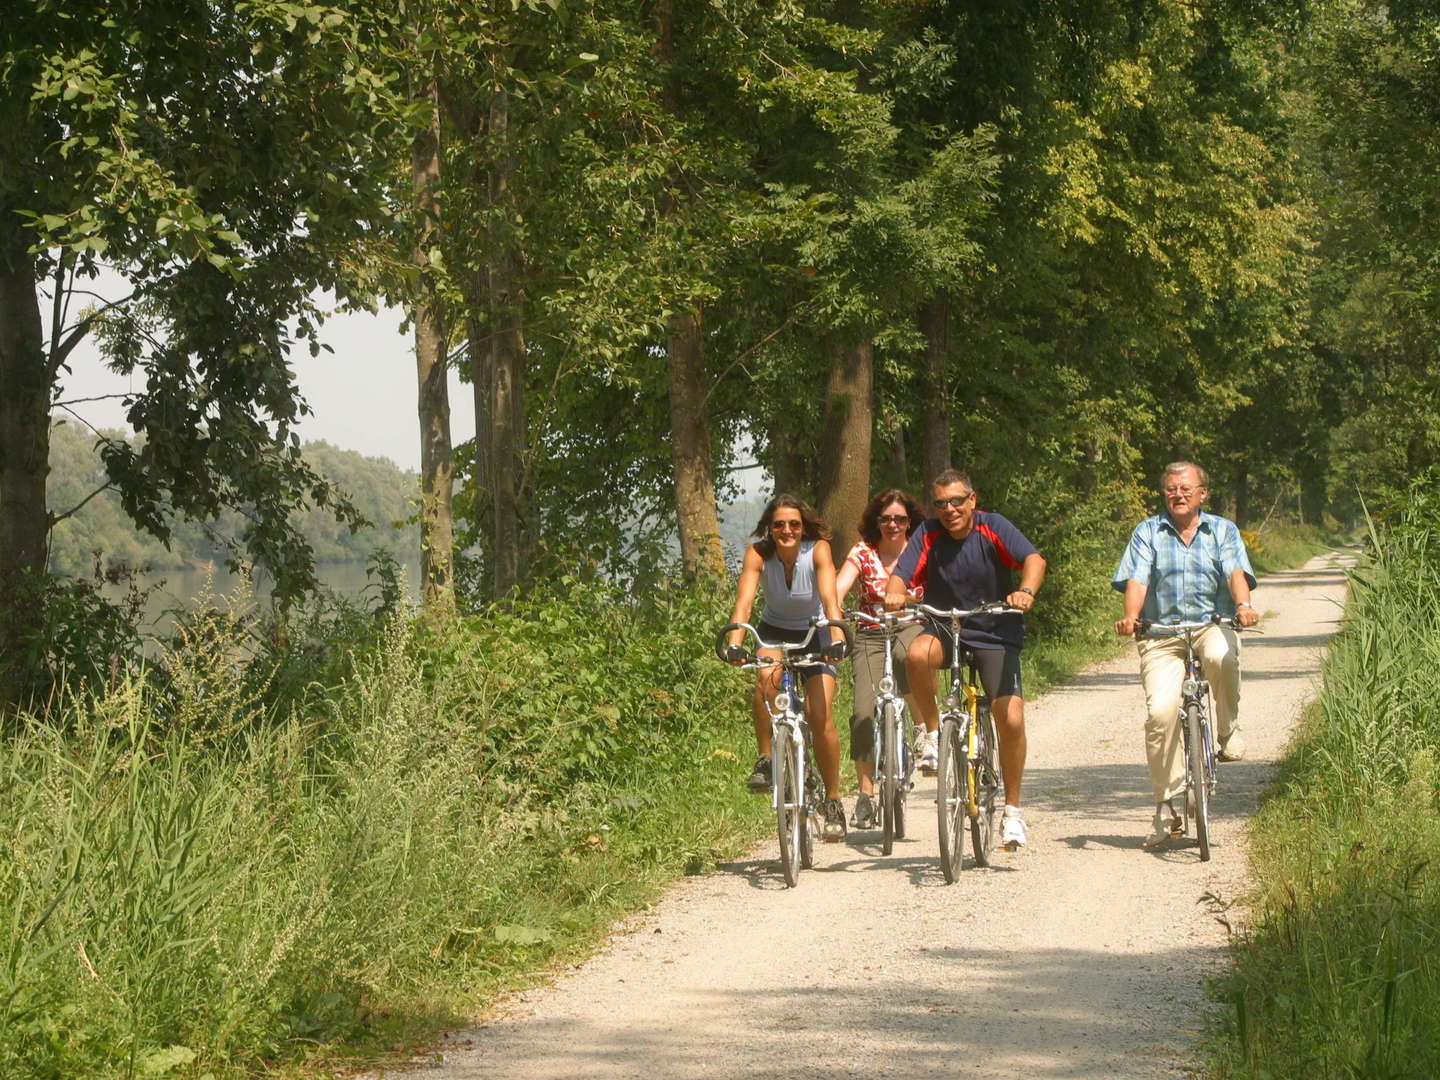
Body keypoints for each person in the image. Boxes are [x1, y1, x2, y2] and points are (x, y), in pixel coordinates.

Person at [883, 469, 1046, 850]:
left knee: (1011, 717)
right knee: (916, 653)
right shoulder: (927, 532)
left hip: (994, 627)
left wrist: (1025, 590)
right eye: (941, 503)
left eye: (957, 501)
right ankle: (935, 736)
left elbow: (1033, 560)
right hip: (946, 625)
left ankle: (1013, 813)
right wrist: (894, 594)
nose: (950, 509)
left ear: (973, 500)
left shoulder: (993, 527)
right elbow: (901, 575)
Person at [1112, 460, 1259, 849]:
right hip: (1161, 634)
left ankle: (1227, 731)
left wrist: (1243, 605)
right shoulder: (1148, 531)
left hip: (1212, 623)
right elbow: (1138, 578)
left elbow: (1234, 572)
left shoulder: (1223, 530)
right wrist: (1130, 617)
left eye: (1185, 489)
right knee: (1160, 713)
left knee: (1223, 656)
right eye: (1171, 490)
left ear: (1202, 494)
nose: (1177, 495)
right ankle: (1166, 805)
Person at [725, 494, 850, 841]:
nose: (787, 530)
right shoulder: (758, 554)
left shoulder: (818, 549)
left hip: (816, 631)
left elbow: (829, 599)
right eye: (779, 524)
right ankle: (766, 759)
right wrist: (736, 643)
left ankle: (833, 799)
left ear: (803, 526)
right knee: (766, 681)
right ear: (770, 527)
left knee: (819, 714)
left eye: (794, 524)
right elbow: (745, 603)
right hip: (774, 630)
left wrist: (837, 636)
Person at [834, 487, 925, 829]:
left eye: (900, 519)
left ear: (909, 521)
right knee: (861, 712)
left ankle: (921, 730)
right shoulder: (863, 551)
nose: (893, 525)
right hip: (871, 631)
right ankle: (865, 793)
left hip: (910, 626)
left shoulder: (921, 550)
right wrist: (834, 609)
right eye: (886, 519)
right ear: (876, 521)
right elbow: (840, 587)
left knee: (907, 656)